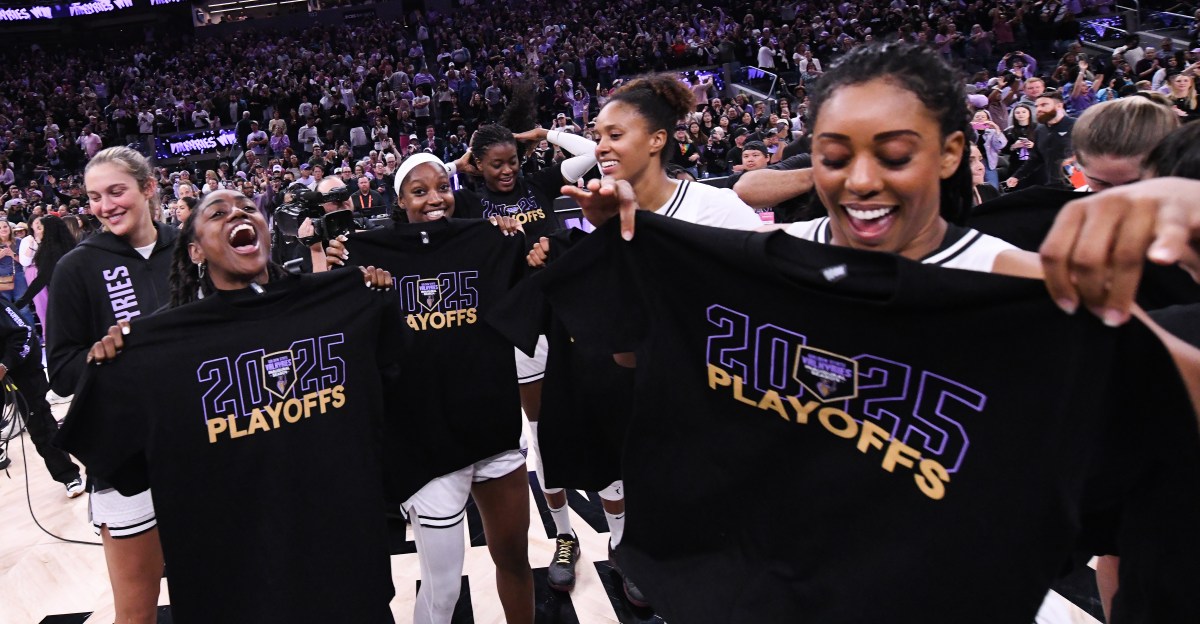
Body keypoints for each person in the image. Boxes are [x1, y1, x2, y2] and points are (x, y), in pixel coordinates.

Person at [559, 41, 1200, 623]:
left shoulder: (1027, 288)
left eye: (893, 155)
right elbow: (628, 355)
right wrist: (634, 246)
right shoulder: (759, 256)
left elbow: (1162, 411)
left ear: (952, 152)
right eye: (834, 157)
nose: (861, 180)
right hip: (757, 585)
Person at [58, 189, 400, 623]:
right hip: (238, 585)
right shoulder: (157, 349)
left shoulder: (341, 302)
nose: (237, 213)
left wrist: (373, 292)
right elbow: (111, 458)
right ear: (196, 250)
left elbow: (396, 389)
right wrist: (107, 365)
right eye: (217, 213)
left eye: (247, 208)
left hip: (346, 566)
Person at [328, 154, 532, 624]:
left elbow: (532, 295)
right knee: (442, 591)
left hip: (493, 426)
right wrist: (341, 265)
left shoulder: (490, 240)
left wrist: (517, 242)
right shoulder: (366, 258)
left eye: (441, 187)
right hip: (426, 444)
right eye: (419, 191)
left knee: (515, 561)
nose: (434, 198)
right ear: (399, 201)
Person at [47, 146, 179, 624]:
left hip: (201, 446)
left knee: (219, 593)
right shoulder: (76, 268)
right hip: (125, 457)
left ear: (148, 188)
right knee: (136, 612)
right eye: (94, 197)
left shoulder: (192, 248)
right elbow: (60, 370)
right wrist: (105, 360)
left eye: (116, 191)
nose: (105, 206)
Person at [0, 295, 83, 497]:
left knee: (40, 425)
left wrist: (5, 364)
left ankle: (69, 476)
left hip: (22, 364)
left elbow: (25, 333)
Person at [1005, 90, 1076, 189]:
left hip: (1078, 183)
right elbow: (1035, 158)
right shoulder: (1040, 129)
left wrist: (1074, 159)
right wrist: (1017, 176)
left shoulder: (1077, 125)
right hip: (1053, 184)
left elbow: (1096, 151)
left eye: (1044, 105)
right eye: (1037, 106)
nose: (1039, 109)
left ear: (1059, 106)